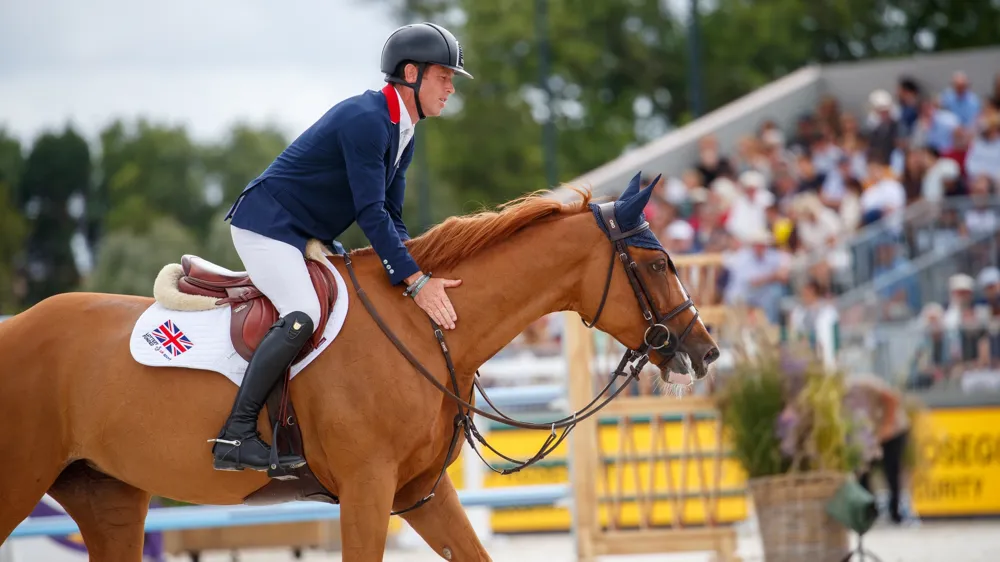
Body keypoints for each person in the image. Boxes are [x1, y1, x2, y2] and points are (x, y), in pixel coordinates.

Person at [208, 22, 473, 473]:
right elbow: (370, 214)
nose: (451, 88)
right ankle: (236, 432)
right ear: (411, 73)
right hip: (267, 226)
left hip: (304, 233)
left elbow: (392, 216)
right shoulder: (367, 120)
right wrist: (416, 281)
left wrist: (421, 269)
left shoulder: (402, 130)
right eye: (444, 76)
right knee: (304, 312)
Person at [845, 374, 912, 525]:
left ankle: (896, 514)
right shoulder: (839, 400)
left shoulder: (860, 385)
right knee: (863, 472)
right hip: (869, 436)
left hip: (893, 431)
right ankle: (869, 514)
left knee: (892, 472)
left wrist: (886, 426)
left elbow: (892, 398)